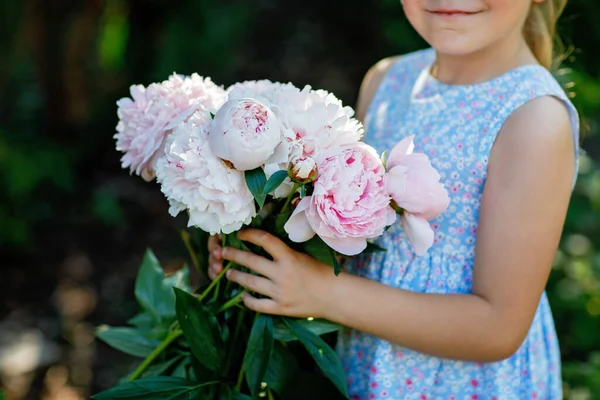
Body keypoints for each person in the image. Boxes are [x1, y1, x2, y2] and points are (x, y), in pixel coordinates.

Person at [208, 0, 579, 398]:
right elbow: (364, 241)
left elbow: (498, 328)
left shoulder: (533, 119)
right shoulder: (388, 81)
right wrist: (268, 259)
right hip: (369, 369)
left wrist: (321, 292)